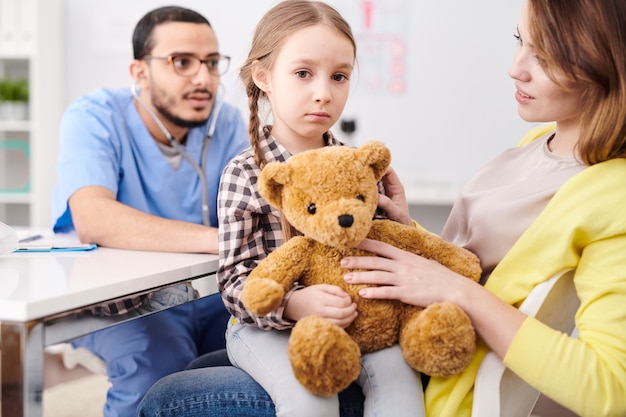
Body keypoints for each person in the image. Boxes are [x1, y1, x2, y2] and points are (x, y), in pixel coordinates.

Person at [139, 0, 626, 416]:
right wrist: (401, 224)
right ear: (264, 77)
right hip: (317, 317)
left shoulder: (606, 195)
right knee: (198, 367)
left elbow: (607, 385)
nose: (515, 67)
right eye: (520, 41)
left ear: (602, 64)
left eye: (543, 54)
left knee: (169, 398)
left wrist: (453, 288)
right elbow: (250, 281)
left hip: (411, 336)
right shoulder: (539, 143)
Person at [217, 1, 424, 416]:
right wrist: (294, 303)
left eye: (340, 76)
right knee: (309, 397)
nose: (324, 93)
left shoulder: (356, 166)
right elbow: (235, 281)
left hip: (356, 317)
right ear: (263, 76)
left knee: (402, 386)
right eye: (303, 73)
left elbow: (381, 247)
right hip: (265, 329)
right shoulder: (244, 173)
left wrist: (405, 224)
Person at [51, 6, 248, 417]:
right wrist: (218, 238)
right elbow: (93, 217)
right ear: (139, 72)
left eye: (212, 63)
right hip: (123, 299)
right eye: (182, 62)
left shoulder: (225, 124)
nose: (203, 78)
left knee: (259, 350)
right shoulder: (95, 117)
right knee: (156, 372)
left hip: (206, 292)